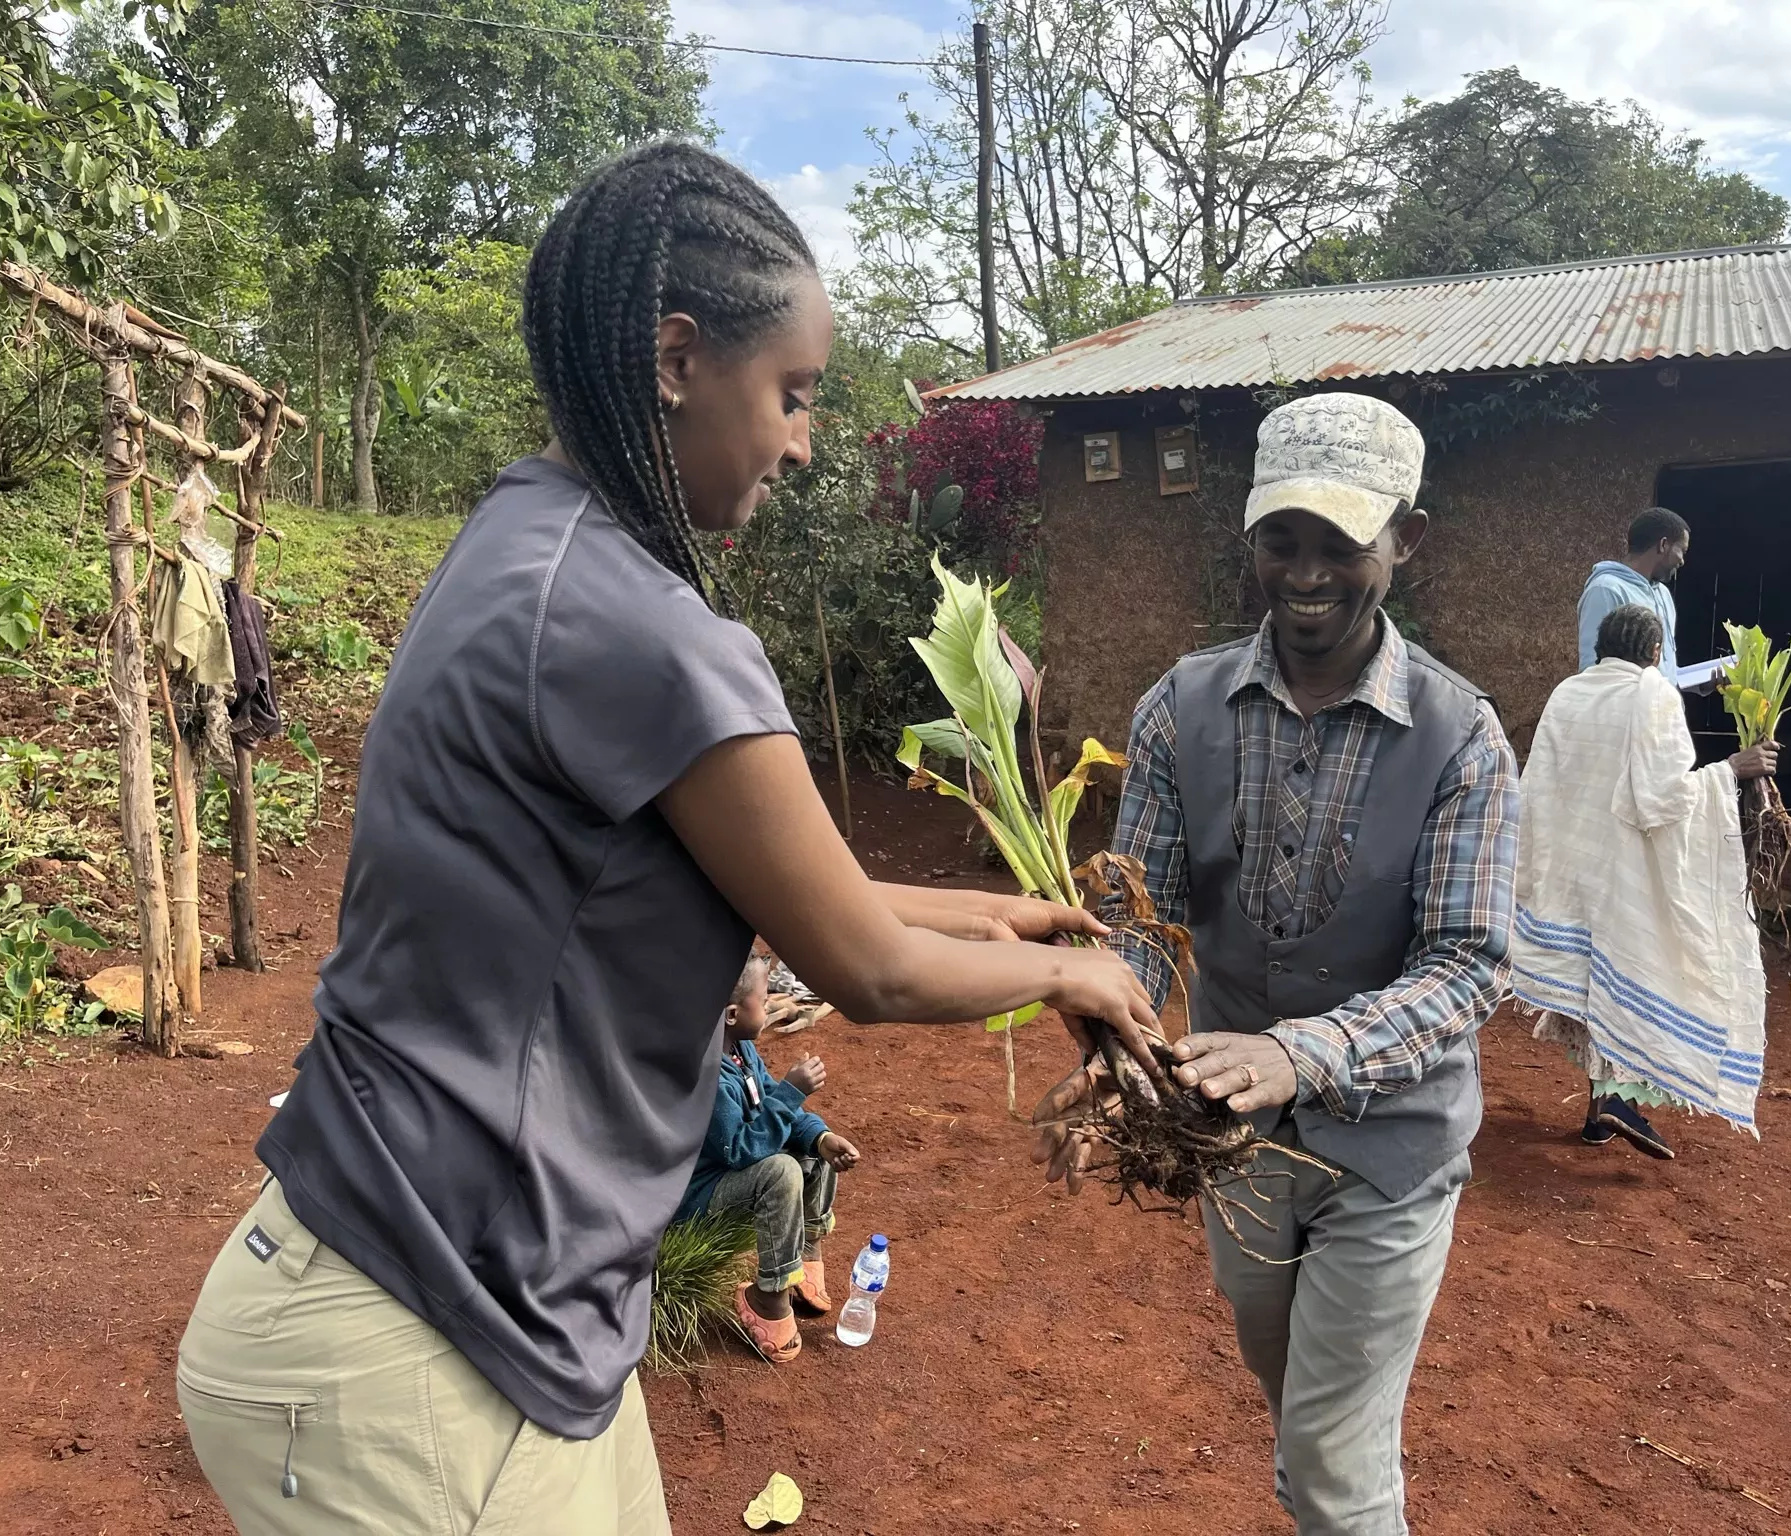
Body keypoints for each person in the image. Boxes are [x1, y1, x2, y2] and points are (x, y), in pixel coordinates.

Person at [175, 141, 1160, 1536]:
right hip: (413, 1338)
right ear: (678, 358)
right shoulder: (648, 633)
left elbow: (771, 881)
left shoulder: (529, 539)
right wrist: (1077, 978)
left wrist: (999, 918)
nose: (805, 440)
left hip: (454, 1293)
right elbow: (862, 968)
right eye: (795, 395)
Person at [1035, 392, 1520, 1536]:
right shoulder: (1179, 709)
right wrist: (1120, 1041)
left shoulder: (1461, 738)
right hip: (1230, 1143)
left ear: (1406, 539)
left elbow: (1465, 968)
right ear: (1247, 539)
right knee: (1298, 1415)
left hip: (1390, 1155)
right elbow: (1139, 919)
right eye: (1279, 541)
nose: (1306, 573)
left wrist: (1296, 1054)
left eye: (1341, 544)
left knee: (1335, 1464)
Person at [1512, 603, 1775, 1160]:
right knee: (1624, 976)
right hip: (1620, 868)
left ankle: (1599, 1115)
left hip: (1570, 863)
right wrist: (1731, 770)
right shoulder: (1652, 692)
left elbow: (1540, 780)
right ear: (1656, 653)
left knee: (1593, 986)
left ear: (1604, 646)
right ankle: (1616, 1101)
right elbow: (1661, 798)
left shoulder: (1568, 691)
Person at [674, 952, 859, 1363]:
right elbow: (739, 1150)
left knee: (813, 1153)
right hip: (701, 1198)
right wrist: (792, 1092)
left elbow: (771, 1107)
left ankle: (806, 1250)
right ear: (733, 1014)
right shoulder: (709, 1078)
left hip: (731, 1176)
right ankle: (769, 1295)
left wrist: (820, 1137)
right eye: (766, 997)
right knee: (781, 1170)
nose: (773, 1002)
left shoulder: (740, 1053)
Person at [1577, 506, 1690, 676]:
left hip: (1662, 702)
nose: (1682, 561)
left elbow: (1664, 673)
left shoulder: (1663, 595)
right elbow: (1592, 670)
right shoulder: (1607, 590)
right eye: (1682, 550)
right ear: (1663, 545)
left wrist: (1696, 685)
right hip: (1629, 703)